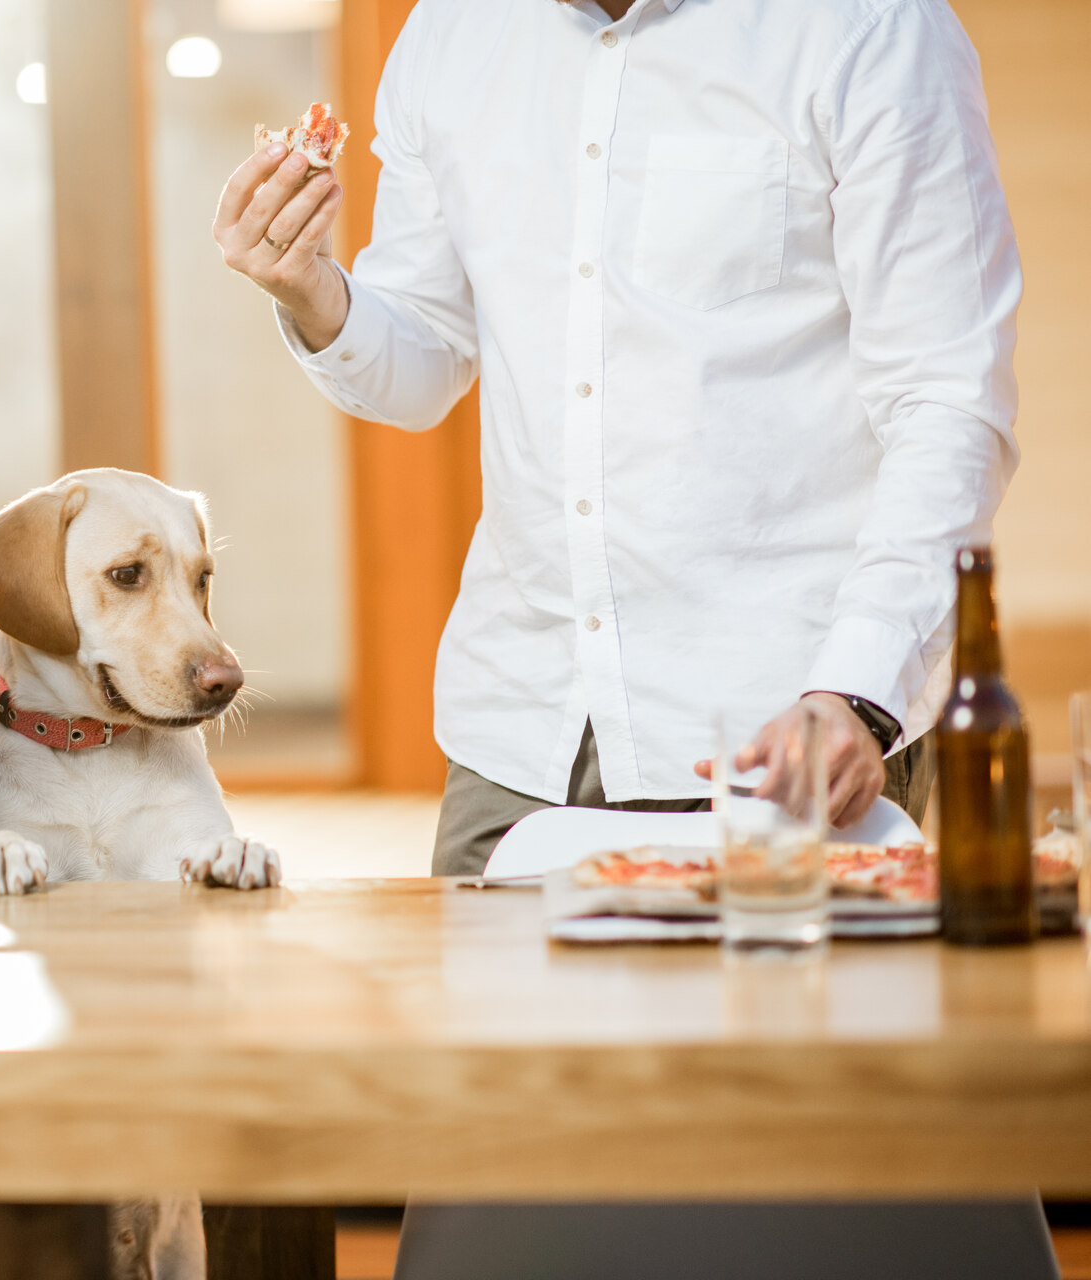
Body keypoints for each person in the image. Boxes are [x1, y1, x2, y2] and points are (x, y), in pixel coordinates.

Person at [217, 0, 1019, 875]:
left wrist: (858, 691)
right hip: (519, 733)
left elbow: (947, 398)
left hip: (789, 730)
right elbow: (424, 356)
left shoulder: (872, 26)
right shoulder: (448, 33)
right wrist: (311, 291)